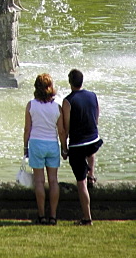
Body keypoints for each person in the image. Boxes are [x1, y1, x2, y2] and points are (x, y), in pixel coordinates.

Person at [61, 68, 103, 225]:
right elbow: (96, 116)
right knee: (91, 151)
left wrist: (64, 149)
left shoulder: (68, 101)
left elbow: (65, 127)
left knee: (81, 182)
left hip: (78, 144)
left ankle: (87, 217)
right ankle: (91, 174)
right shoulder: (92, 95)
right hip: (93, 139)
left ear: (70, 82)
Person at [23, 72, 64, 225]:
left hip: (36, 144)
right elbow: (61, 131)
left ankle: (41, 215)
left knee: (39, 182)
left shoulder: (31, 105)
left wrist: (25, 147)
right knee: (53, 181)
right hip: (52, 145)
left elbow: (27, 129)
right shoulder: (57, 107)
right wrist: (64, 148)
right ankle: (53, 216)